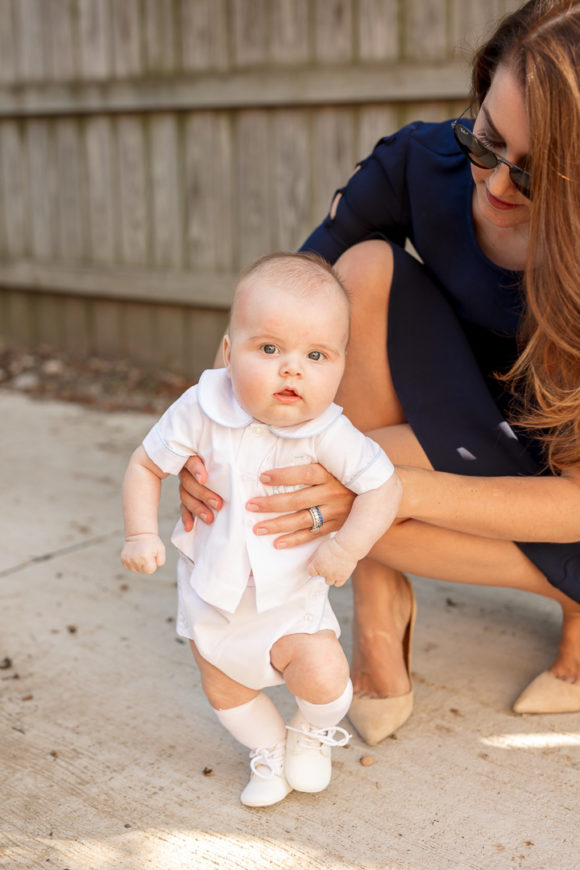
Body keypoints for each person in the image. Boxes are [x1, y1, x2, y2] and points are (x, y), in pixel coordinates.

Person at [178, 0, 580, 746]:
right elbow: (287, 298)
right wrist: (211, 430)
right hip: (452, 413)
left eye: (535, 177)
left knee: (326, 501)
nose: (493, 188)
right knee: (356, 273)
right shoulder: (421, 162)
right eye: (487, 143)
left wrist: (393, 492)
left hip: (560, 468)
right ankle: (379, 603)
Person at [121, 252, 401, 805]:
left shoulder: (329, 431)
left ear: (342, 365)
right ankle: (268, 750)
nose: (291, 368)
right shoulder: (200, 408)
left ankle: (310, 732)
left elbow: (383, 487)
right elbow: (146, 464)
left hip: (291, 594)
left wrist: (347, 547)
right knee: (223, 687)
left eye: (316, 355)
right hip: (214, 594)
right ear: (229, 353)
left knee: (324, 676)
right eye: (269, 349)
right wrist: (140, 533)